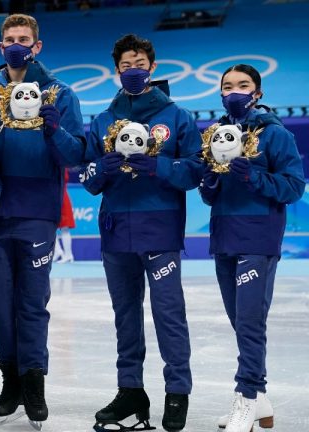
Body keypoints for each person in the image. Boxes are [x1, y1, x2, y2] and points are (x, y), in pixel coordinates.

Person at [78, 34, 202, 431]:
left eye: (140, 63)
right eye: (126, 65)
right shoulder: (102, 120)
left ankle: (177, 391)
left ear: (153, 67)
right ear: (117, 70)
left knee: (169, 315)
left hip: (160, 231)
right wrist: (103, 170)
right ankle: (131, 390)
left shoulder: (177, 117)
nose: (133, 70)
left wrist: (160, 167)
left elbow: (196, 171)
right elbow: (88, 178)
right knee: (124, 316)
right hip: (116, 234)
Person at [0, 13, 86, 427]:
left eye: (24, 39)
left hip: (38, 215)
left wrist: (54, 129)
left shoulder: (60, 93)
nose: (16, 44)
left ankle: (34, 382)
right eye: (9, 39)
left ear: (37, 46)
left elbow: (75, 155)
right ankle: (11, 381)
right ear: (0, 47)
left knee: (32, 304)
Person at [199, 64, 304, 432]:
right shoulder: (213, 134)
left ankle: (244, 399)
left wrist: (253, 175)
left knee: (249, 322)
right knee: (240, 322)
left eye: (243, 85)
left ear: (257, 92)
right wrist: (210, 178)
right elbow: (209, 196)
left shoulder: (275, 134)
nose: (234, 92)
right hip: (225, 236)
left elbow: (293, 186)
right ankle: (260, 401)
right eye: (227, 86)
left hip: (258, 238)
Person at [52, 169, 75, 263]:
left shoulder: (61, 167)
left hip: (61, 198)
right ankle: (58, 251)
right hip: (54, 197)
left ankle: (68, 254)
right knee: (51, 228)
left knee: (64, 228)